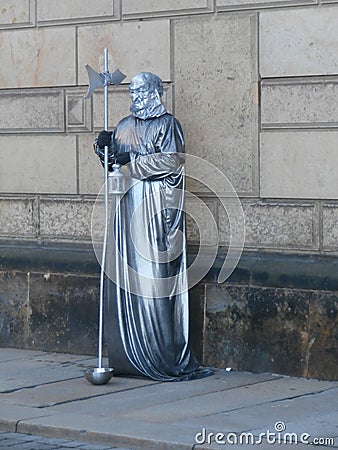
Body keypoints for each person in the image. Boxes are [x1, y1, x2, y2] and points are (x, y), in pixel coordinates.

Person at [94, 72, 212, 381]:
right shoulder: (123, 126)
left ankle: (160, 353)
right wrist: (104, 150)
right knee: (128, 279)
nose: (135, 95)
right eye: (132, 91)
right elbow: (114, 169)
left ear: (155, 91)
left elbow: (170, 161)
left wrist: (129, 159)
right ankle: (127, 355)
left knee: (154, 278)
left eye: (141, 90)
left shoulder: (167, 125)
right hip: (126, 211)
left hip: (155, 212)